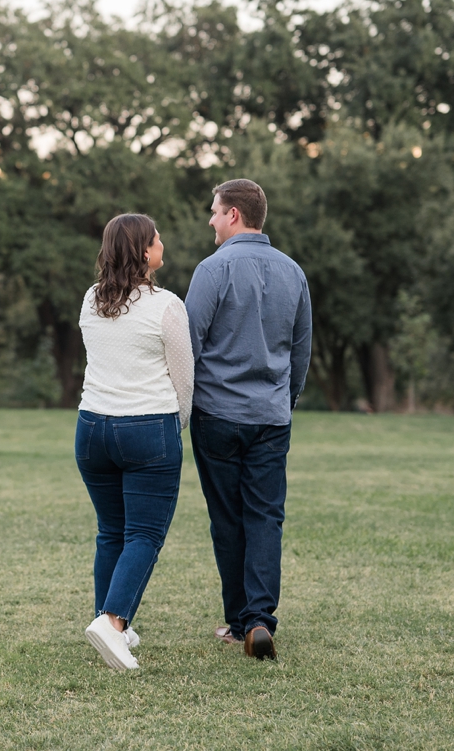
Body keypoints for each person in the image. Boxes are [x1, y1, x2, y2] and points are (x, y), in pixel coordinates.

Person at [185, 179, 311, 661]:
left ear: (234, 215)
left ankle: (239, 624)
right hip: (271, 417)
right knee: (265, 516)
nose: (211, 221)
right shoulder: (294, 272)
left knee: (227, 519)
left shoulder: (211, 270)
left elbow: (189, 345)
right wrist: (286, 398)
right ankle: (260, 619)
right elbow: (301, 348)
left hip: (217, 414)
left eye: (214, 212)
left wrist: (186, 404)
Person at [76, 213, 194, 672]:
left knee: (112, 531)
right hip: (147, 429)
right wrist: (176, 426)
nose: (163, 242)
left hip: (92, 430)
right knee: (143, 534)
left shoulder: (91, 300)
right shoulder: (166, 306)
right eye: (157, 238)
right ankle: (112, 623)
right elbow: (184, 382)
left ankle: (110, 620)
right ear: (145, 253)